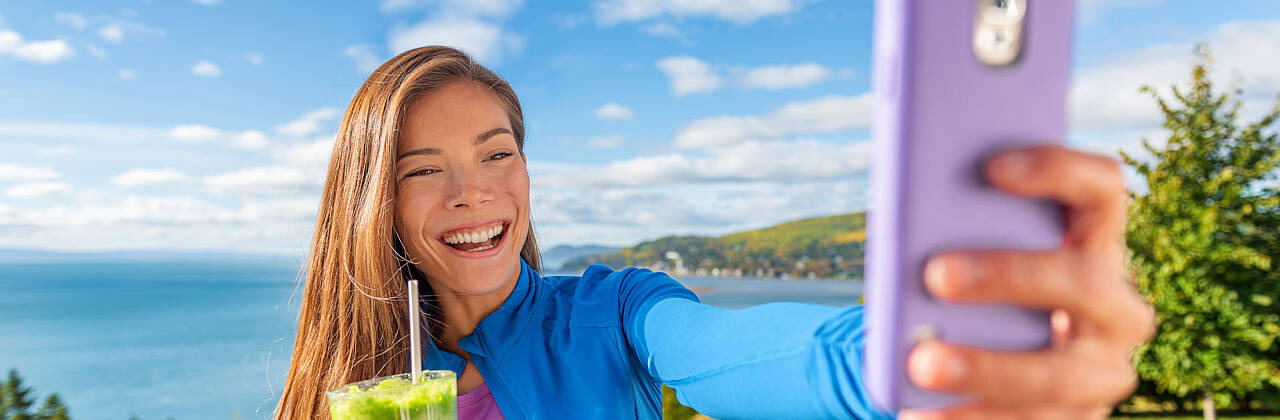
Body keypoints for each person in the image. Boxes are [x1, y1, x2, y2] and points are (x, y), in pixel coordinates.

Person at [275, 46, 1155, 419]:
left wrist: (925, 364)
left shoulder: (615, 312)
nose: (475, 194)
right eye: (423, 170)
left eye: (497, 154)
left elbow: (755, 352)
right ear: (374, 204)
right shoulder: (356, 382)